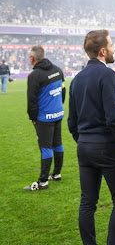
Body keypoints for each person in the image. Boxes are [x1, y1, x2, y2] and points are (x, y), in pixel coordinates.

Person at [68, 30, 115, 245]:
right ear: (103, 51)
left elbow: (71, 122)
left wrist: (84, 140)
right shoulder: (107, 74)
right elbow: (113, 115)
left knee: (87, 203)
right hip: (108, 146)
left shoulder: (76, 80)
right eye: (111, 45)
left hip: (85, 146)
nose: (114, 49)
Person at [24, 46, 65, 191]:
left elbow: (31, 100)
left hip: (44, 118)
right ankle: (56, 173)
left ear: (32, 58)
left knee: (46, 148)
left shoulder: (34, 75)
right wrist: (58, 107)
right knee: (57, 144)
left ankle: (42, 182)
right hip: (58, 113)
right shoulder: (57, 70)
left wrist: (33, 118)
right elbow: (63, 90)